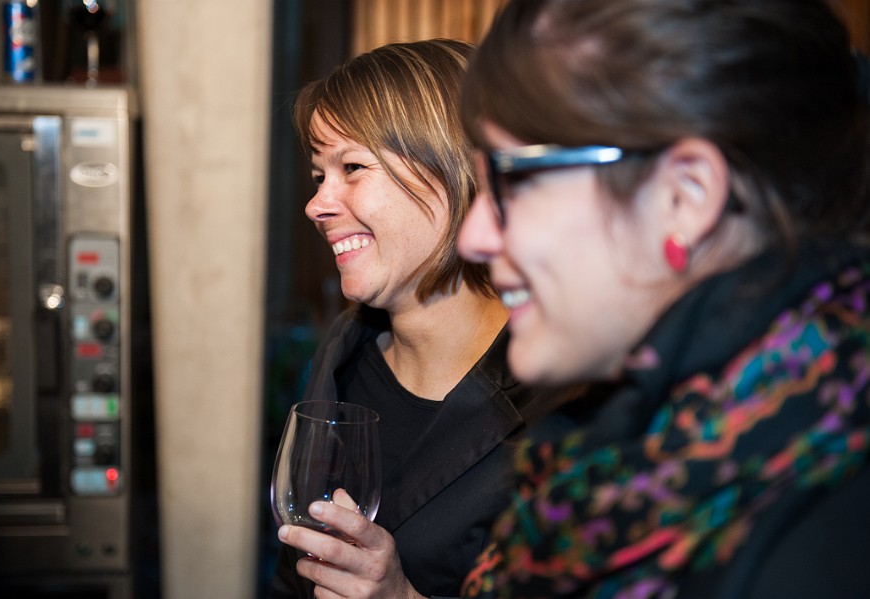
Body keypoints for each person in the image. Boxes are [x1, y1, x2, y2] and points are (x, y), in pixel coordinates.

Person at [455, 0, 870, 597]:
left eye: (513, 179)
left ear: (685, 196)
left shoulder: (820, 539)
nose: (473, 237)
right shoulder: (637, 443)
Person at [270, 39, 580, 599]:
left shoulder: (560, 398)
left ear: (455, 169)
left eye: (352, 167)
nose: (316, 206)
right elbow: (293, 576)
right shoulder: (344, 349)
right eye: (319, 176)